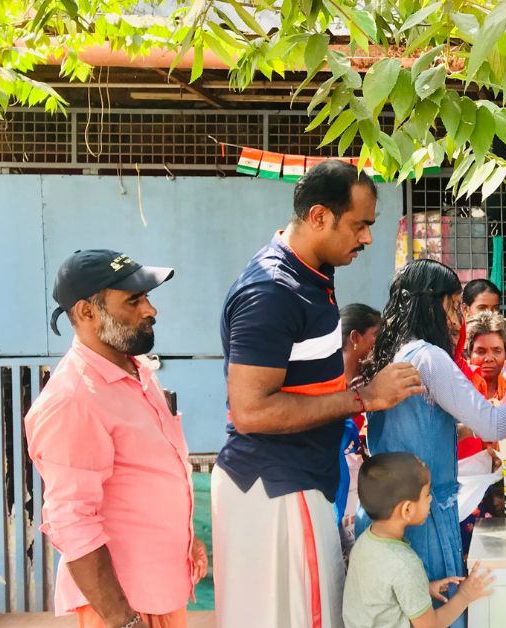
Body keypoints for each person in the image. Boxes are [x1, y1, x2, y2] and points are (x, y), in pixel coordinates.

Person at [214, 160, 425, 628]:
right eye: (359, 225)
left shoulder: (313, 273)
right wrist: (364, 398)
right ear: (317, 217)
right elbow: (251, 410)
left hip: (296, 482)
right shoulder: (272, 290)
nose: (367, 238)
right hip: (276, 488)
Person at [359, 259, 506, 627]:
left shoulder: (393, 354)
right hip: (423, 517)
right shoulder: (429, 357)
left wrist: (462, 430)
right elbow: (496, 423)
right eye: (455, 304)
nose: (458, 317)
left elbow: (415, 429)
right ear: (435, 303)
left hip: (391, 515)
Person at [25, 250, 206, 628]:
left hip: (160, 590)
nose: (150, 310)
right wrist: (124, 621)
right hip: (125, 607)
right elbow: (71, 522)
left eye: (147, 297)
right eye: (134, 300)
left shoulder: (135, 371)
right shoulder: (72, 398)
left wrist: (184, 538)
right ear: (87, 313)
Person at [342, 452, 494, 628]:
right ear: (407, 509)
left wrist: (423, 589)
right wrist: (466, 595)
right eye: (427, 494)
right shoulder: (405, 564)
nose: (430, 499)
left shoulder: (364, 543)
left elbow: (379, 596)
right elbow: (430, 625)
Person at [336, 303, 384, 550]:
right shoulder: (327, 380)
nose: (378, 345)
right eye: (375, 336)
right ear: (355, 337)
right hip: (335, 479)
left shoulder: (370, 379)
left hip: (360, 479)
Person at [465, 311, 506, 401]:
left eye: (497, 351)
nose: (489, 359)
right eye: (481, 351)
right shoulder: (461, 389)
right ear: (468, 354)